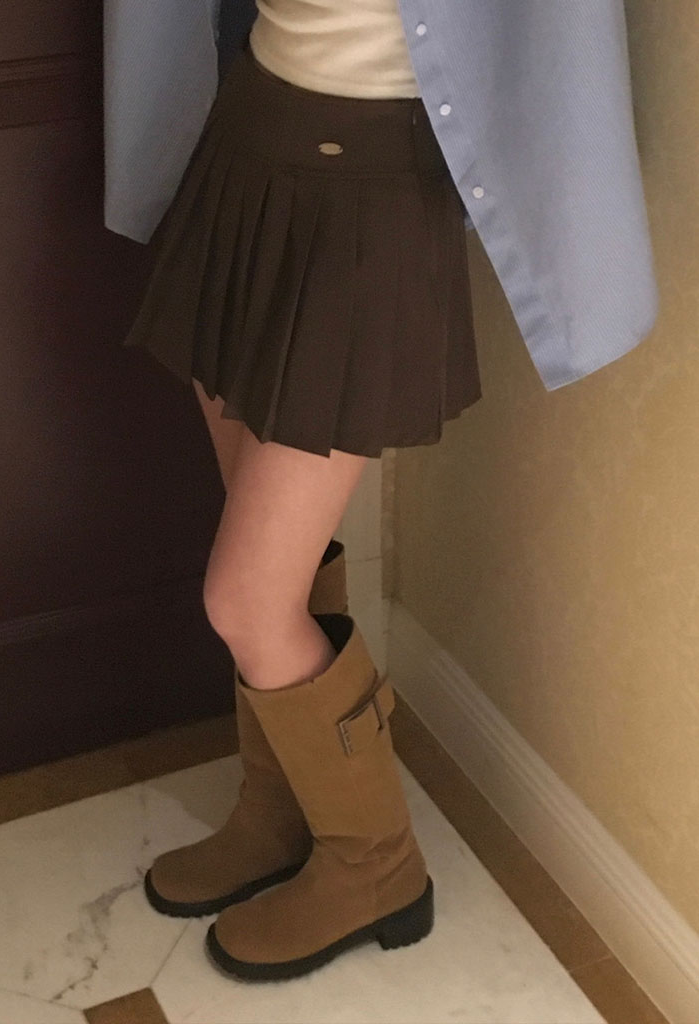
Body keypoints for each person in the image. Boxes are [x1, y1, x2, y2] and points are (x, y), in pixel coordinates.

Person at [106, 0, 659, 982]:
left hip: (370, 186)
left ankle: (376, 865)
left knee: (247, 598)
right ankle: (281, 813)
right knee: (276, 558)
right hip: (243, 145)